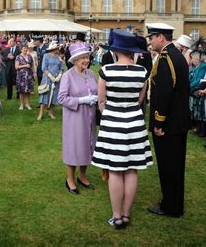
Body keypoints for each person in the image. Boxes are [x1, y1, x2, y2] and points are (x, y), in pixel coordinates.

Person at [92, 30, 153, 228]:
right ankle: (125, 214)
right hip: (135, 121)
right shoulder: (142, 72)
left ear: (116, 49)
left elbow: (101, 100)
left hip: (112, 121)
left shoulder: (106, 70)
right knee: (131, 170)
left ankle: (117, 216)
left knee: (116, 171)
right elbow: (140, 99)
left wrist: (110, 111)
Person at [146, 23, 190, 218]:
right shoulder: (175, 55)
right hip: (177, 122)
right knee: (175, 167)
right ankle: (174, 203)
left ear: (161, 37)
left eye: (152, 38)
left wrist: (158, 123)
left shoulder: (166, 59)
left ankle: (170, 207)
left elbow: (164, 94)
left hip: (169, 125)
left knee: (169, 167)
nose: (150, 41)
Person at [58, 43, 98, 196]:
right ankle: (70, 180)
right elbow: (61, 98)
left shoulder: (91, 74)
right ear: (74, 60)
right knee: (74, 147)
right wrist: (82, 100)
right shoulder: (68, 76)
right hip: (74, 118)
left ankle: (82, 176)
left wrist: (96, 99)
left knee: (87, 145)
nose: (86, 60)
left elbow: (96, 90)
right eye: (82, 58)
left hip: (90, 116)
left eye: (87, 57)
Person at [37, 42, 63, 121]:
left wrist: (59, 76)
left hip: (56, 80)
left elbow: (61, 68)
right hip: (47, 78)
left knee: (53, 96)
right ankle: (41, 113)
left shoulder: (59, 57)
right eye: (57, 48)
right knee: (44, 95)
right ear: (53, 49)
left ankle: (51, 113)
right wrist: (50, 76)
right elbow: (43, 68)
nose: (58, 50)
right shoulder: (46, 56)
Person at [189, 51, 206, 135]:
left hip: (199, 91)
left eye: (192, 58)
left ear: (197, 59)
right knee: (194, 111)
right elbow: (189, 77)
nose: (191, 60)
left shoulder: (203, 67)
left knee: (199, 112)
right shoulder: (194, 67)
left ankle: (201, 130)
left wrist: (188, 87)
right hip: (192, 91)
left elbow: (199, 80)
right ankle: (197, 128)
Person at [15, 44, 34, 110]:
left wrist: (34, 73)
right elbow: (16, 67)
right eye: (24, 48)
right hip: (21, 76)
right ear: (21, 49)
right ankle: (21, 104)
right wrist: (25, 65)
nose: (25, 49)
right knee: (21, 91)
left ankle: (27, 104)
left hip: (29, 75)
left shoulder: (30, 56)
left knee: (28, 91)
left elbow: (32, 66)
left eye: (26, 48)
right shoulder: (18, 57)